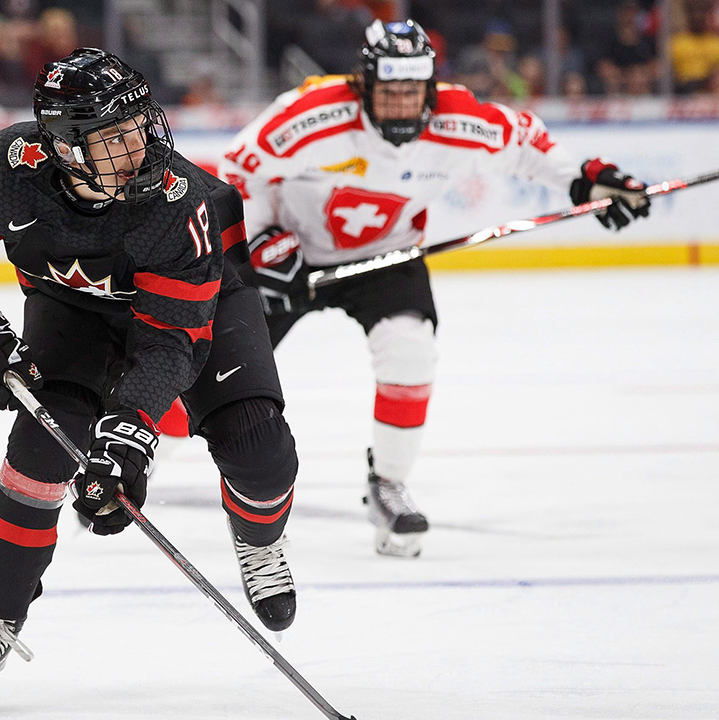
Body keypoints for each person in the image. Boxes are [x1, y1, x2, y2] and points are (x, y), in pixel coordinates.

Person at [0, 48, 300, 713]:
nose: (138, 147)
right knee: (38, 452)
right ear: (64, 146)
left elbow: (170, 340)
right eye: (113, 137)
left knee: (258, 448)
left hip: (201, 307)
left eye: (138, 126)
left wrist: (131, 431)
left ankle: (260, 542)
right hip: (74, 310)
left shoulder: (179, 201)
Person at [216, 19, 651, 558]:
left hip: (387, 257)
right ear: (363, 85)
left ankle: (388, 484)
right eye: (389, 91)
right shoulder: (310, 114)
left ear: (430, 87)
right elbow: (234, 173)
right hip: (291, 257)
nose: (401, 104)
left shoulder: (458, 117)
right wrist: (258, 245)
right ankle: (135, 452)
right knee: (216, 363)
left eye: (412, 91)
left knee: (410, 351)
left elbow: (526, 143)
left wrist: (588, 177)